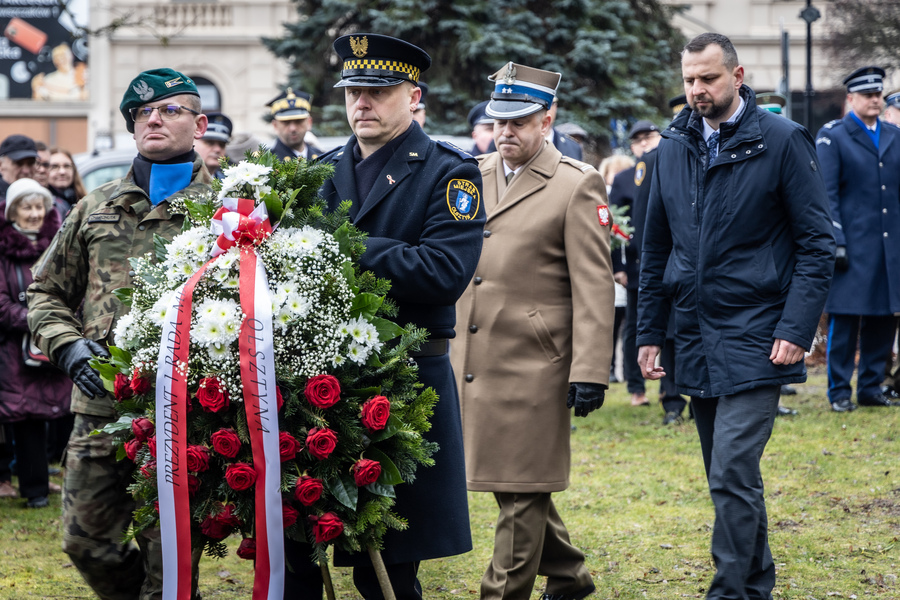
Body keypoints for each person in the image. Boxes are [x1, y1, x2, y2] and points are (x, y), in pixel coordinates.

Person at [282, 33, 485, 600]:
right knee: (301, 547)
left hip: (404, 381)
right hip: (317, 382)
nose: (361, 104)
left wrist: (347, 245)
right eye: (352, 92)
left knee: (390, 567)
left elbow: (446, 271)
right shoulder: (320, 171)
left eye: (378, 91)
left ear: (413, 96)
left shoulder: (450, 172)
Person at [637, 33, 834, 599]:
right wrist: (649, 332)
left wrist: (796, 329)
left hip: (759, 333)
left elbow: (817, 244)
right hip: (693, 334)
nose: (697, 90)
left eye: (709, 79)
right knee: (730, 478)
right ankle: (755, 585)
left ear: (738, 75)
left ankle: (728, 593)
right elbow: (655, 249)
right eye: (689, 80)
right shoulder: (671, 147)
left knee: (730, 472)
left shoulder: (782, 141)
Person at [27, 68, 212, 598]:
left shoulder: (229, 210)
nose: (154, 118)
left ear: (199, 124)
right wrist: (68, 347)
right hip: (102, 406)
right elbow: (44, 292)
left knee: (171, 558)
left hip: (188, 413)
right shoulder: (95, 206)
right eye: (143, 112)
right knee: (84, 542)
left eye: (170, 110)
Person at [452, 61, 612, 600]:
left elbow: (594, 286)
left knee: (520, 492)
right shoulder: (474, 174)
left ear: (548, 119)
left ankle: (500, 594)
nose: (505, 132)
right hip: (474, 358)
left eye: (518, 121)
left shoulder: (576, 184)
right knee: (511, 482)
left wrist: (590, 370)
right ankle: (568, 576)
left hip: (535, 365)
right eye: (499, 121)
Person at [815, 66, 900, 412]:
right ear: (851, 99)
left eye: (878, 94)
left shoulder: (894, 135)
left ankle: (870, 386)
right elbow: (826, 192)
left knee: (883, 316)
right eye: (867, 95)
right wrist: (835, 238)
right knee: (845, 318)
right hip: (851, 243)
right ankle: (838, 391)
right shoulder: (833, 135)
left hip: (888, 245)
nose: (875, 100)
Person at [0, 178, 71, 508]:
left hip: (47, 345)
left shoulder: (58, 245)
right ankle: (25, 486)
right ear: (13, 210)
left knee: (46, 414)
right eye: (26, 207)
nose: (33, 213)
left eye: (38, 206)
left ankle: (43, 485)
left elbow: (72, 287)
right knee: (22, 415)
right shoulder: (4, 250)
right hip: (13, 348)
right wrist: (36, 317)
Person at [609, 120, 661, 409]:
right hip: (636, 265)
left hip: (667, 262)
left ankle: (670, 389)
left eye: (649, 137)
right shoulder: (625, 178)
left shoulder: (669, 169)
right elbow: (616, 225)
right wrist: (618, 266)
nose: (644, 143)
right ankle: (636, 387)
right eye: (638, 139)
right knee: (635, 327)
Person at [598, 154, 634, 383]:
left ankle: (624, 369)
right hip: (611, 269)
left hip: (630, 268)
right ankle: (608, 367)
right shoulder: (602, 200)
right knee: (610, 323)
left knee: (626, 322)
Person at [267, 88, 323, 161]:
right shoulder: (266, 163)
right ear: (275, 126)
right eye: (286, 122)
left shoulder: (322, 158)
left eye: (298, 121)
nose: (293, 128)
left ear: (309, 123)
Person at [46, 147, 87, 220]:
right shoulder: (42, 204)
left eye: (67, 166)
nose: (62, 172)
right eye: (54, 166)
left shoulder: (84, 201)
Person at [0, 134, 38, 203]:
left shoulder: (43, 197)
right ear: (1, 165)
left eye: (31, 163)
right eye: (18, 163)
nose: (26, 171)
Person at [196, 111, 233, 178]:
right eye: (210, 143)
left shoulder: (229, 185)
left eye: (222, 145)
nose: (217, 149)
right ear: (193, 142)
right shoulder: (179, 182)